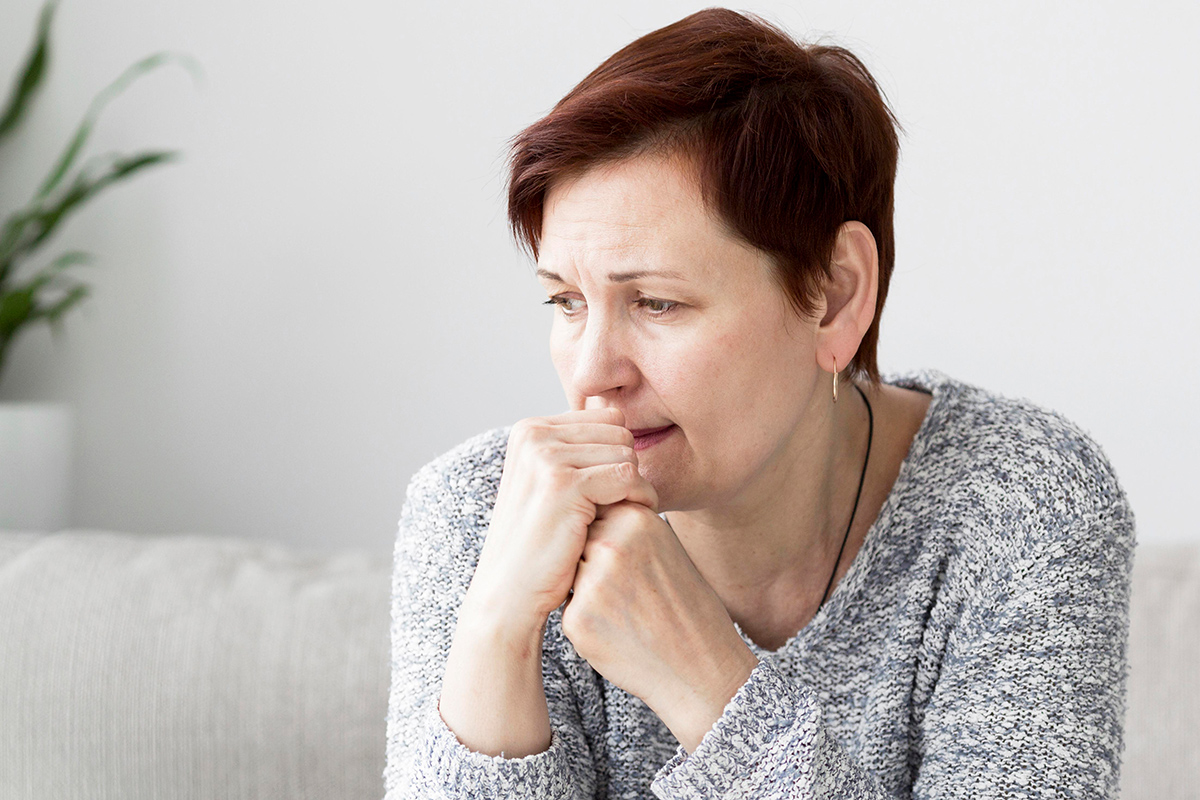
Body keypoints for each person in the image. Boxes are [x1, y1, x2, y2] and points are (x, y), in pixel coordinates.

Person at [383, 9, 1136, 799]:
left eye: (657, 304)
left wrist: (705, 681)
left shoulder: (1025, 507)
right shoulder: (476, 519)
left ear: (835, 295)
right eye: (567, 302)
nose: (593, 373)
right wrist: (498, 626)